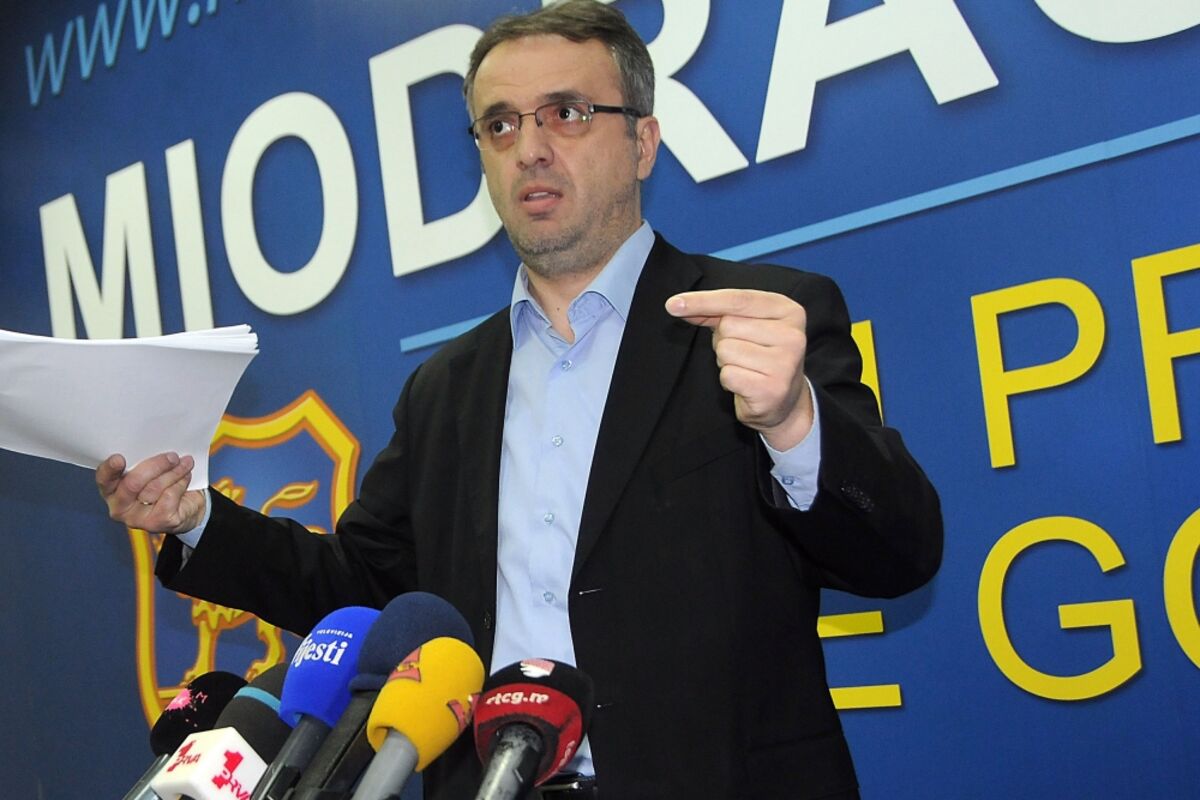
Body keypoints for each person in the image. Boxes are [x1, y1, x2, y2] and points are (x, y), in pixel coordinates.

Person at [97, 2, 942, 797]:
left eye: (566, 113)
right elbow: (362, 591)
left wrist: (793, 422)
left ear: (643, 142)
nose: (530, 148)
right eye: (500, 125)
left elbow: (899, 554)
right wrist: (197, 521)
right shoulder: (445, 388)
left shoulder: (759, 321)